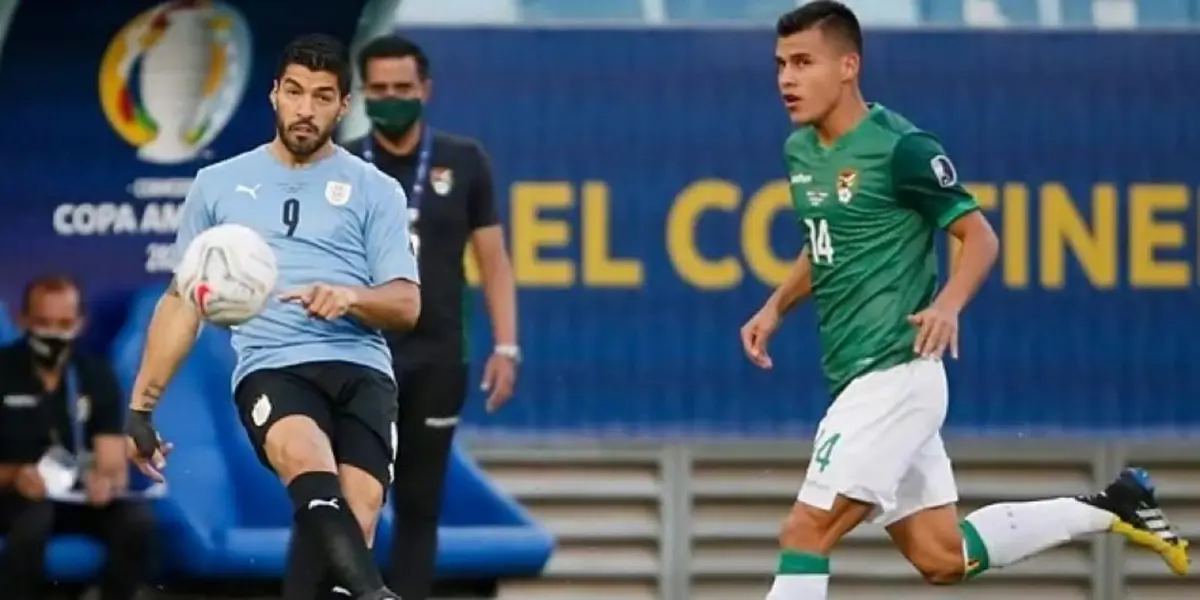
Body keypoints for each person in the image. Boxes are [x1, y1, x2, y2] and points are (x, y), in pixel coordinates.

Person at [738, 3, 1190, 598]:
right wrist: (775, 307)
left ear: (848, 66)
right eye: (780, 65)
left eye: (803, 62)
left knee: (805, 533)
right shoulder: (801, 151)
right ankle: (1113, 506)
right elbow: (827, 242)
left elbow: (978, 235)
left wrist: (948, 303)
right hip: (861, 379)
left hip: (894, 375)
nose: (787, 79)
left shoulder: (902, 148)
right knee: (941, 556)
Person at [123, 34, 419, 600]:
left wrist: (351, 297)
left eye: (322, 97)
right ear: (274, 94)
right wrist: (142, 406)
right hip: (274, 366)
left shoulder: (375, 190)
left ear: (343, 106)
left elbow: (407, 305)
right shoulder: (217, 186)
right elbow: (184, 300)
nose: (306, 109)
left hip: (360, 368)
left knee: (355, 518)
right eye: (295, 92)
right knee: (306, 461)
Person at [343, 35, 518, 599]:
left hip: (438, 356)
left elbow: (493, 261)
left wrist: (506, 346)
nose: (391, 99)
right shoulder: (339, 163)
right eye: (380, 90)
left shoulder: (464, 161)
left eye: (402, 88)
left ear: (425, 90)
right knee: (341, 500)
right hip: (354, 354)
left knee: (419, 506)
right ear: (361, 94)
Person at [0, 275, 156, 600]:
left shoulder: (94, 374)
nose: (54, 334)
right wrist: (15, 475)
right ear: (22, 319)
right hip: (13, 496)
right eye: (43, 323)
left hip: (75, 497)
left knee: (136, 520)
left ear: (80, 323)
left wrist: (105, 481)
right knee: (33, 517)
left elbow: (113, 464)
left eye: (64, 323)